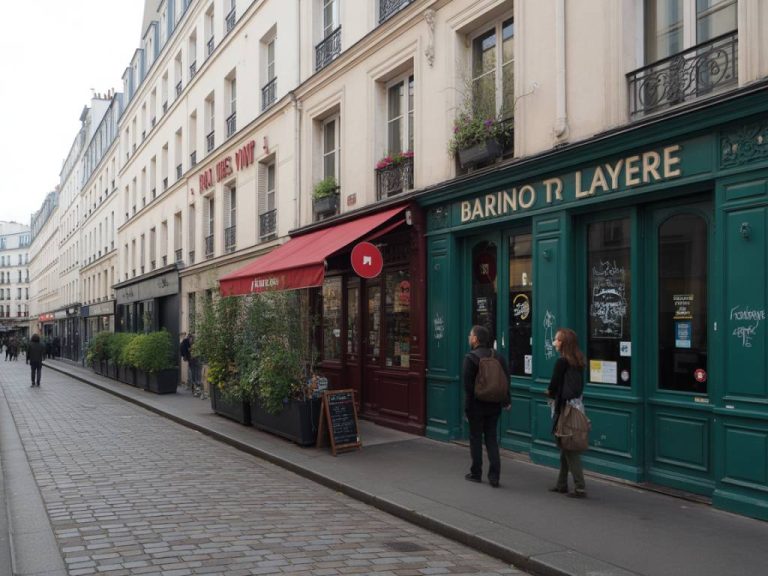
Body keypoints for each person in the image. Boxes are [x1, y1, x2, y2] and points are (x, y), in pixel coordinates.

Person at [463, 325, 510, 487]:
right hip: (494, 405)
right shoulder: (498, 357)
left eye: (470, 335)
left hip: (476, 405)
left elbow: (468, 387)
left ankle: (476, 473)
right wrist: (506, 401)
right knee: (491, 438)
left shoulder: (470, 358)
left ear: (475, 339)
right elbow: (505, 381)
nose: (469, 338)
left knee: (475, 439)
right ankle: (494, 476)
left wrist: (467, 408)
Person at [546, 328, 587, 498]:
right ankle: (561, 483)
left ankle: (580, 487)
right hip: (576, 406)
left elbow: (553, 385)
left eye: (556, 340)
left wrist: (549, 392)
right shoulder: (578, 361)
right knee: (565, 446)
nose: (554, 342)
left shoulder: (562, 362)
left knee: (570, 449)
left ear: (563, 343)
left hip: (565, 409)